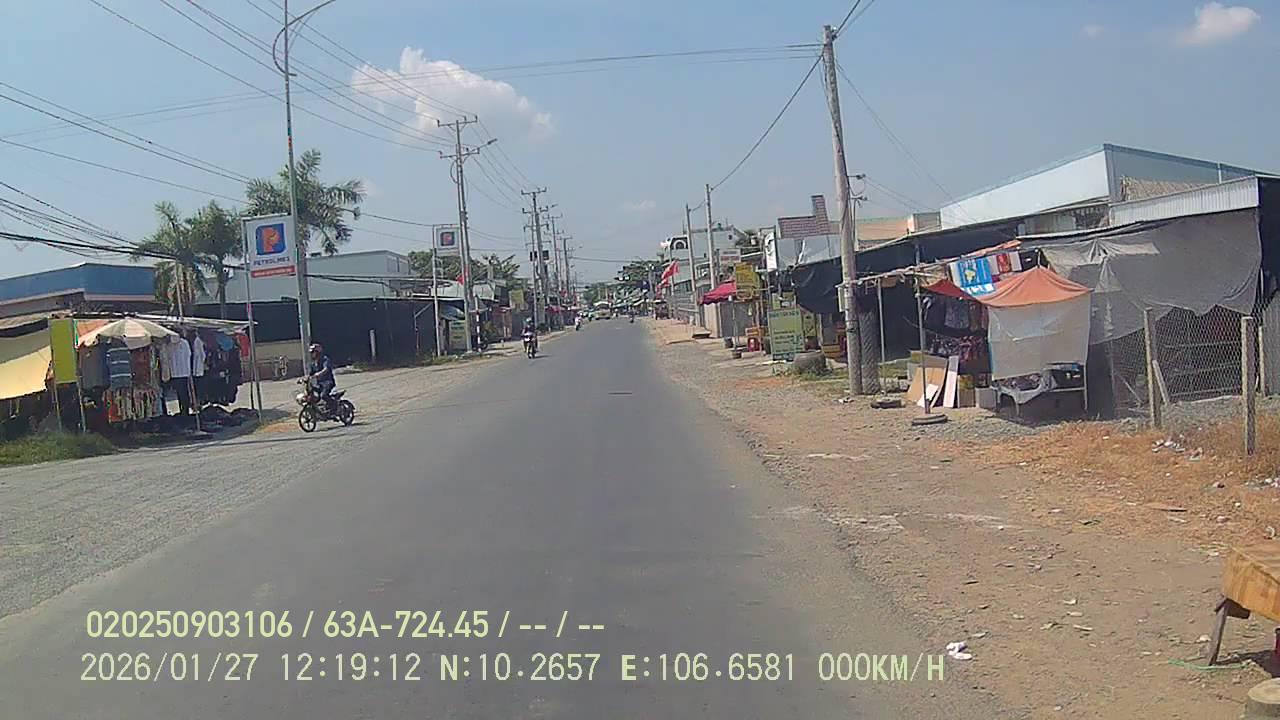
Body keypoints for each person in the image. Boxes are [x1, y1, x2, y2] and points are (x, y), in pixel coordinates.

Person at [308, 343, 336, 414]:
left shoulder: (325, 359)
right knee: (311, 395)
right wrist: (304, 379)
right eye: (311, 353)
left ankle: (334, 407)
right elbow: (310, 374)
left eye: (313, 352)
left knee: (323, 395)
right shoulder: (313, 363)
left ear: (318, 352)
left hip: (328, 382)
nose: (312, 354)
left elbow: (326, 369)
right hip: (319, 384)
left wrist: (319, 374)